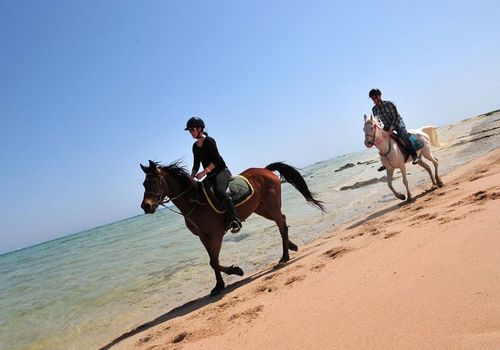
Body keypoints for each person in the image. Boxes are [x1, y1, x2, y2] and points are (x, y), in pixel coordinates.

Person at [185, 116, 242, 233]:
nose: (190, 132)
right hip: (210, 175)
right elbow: (196, 164)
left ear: (200, 128)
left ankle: (235, 220)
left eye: (192, 129)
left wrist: (204, 172)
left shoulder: (209, 141)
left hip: (222, 172)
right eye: (189, 130)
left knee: (220, 191)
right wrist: (191, 177)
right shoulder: (195, 147)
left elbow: (217, 159)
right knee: (201, 194)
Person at [369, 88, 421, 171]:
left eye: (374, 97)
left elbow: (395, 116)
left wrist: (391, 128)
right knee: (381, 141)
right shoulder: (374, 109)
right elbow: (377, 121)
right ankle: (385, 163)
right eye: (372, 98)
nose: (373, 100)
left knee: (404, 137)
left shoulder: (389, 104)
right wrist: (379, 131)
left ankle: (415, 156)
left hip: (397, 123)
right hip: (387, 125)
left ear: (379, 96)